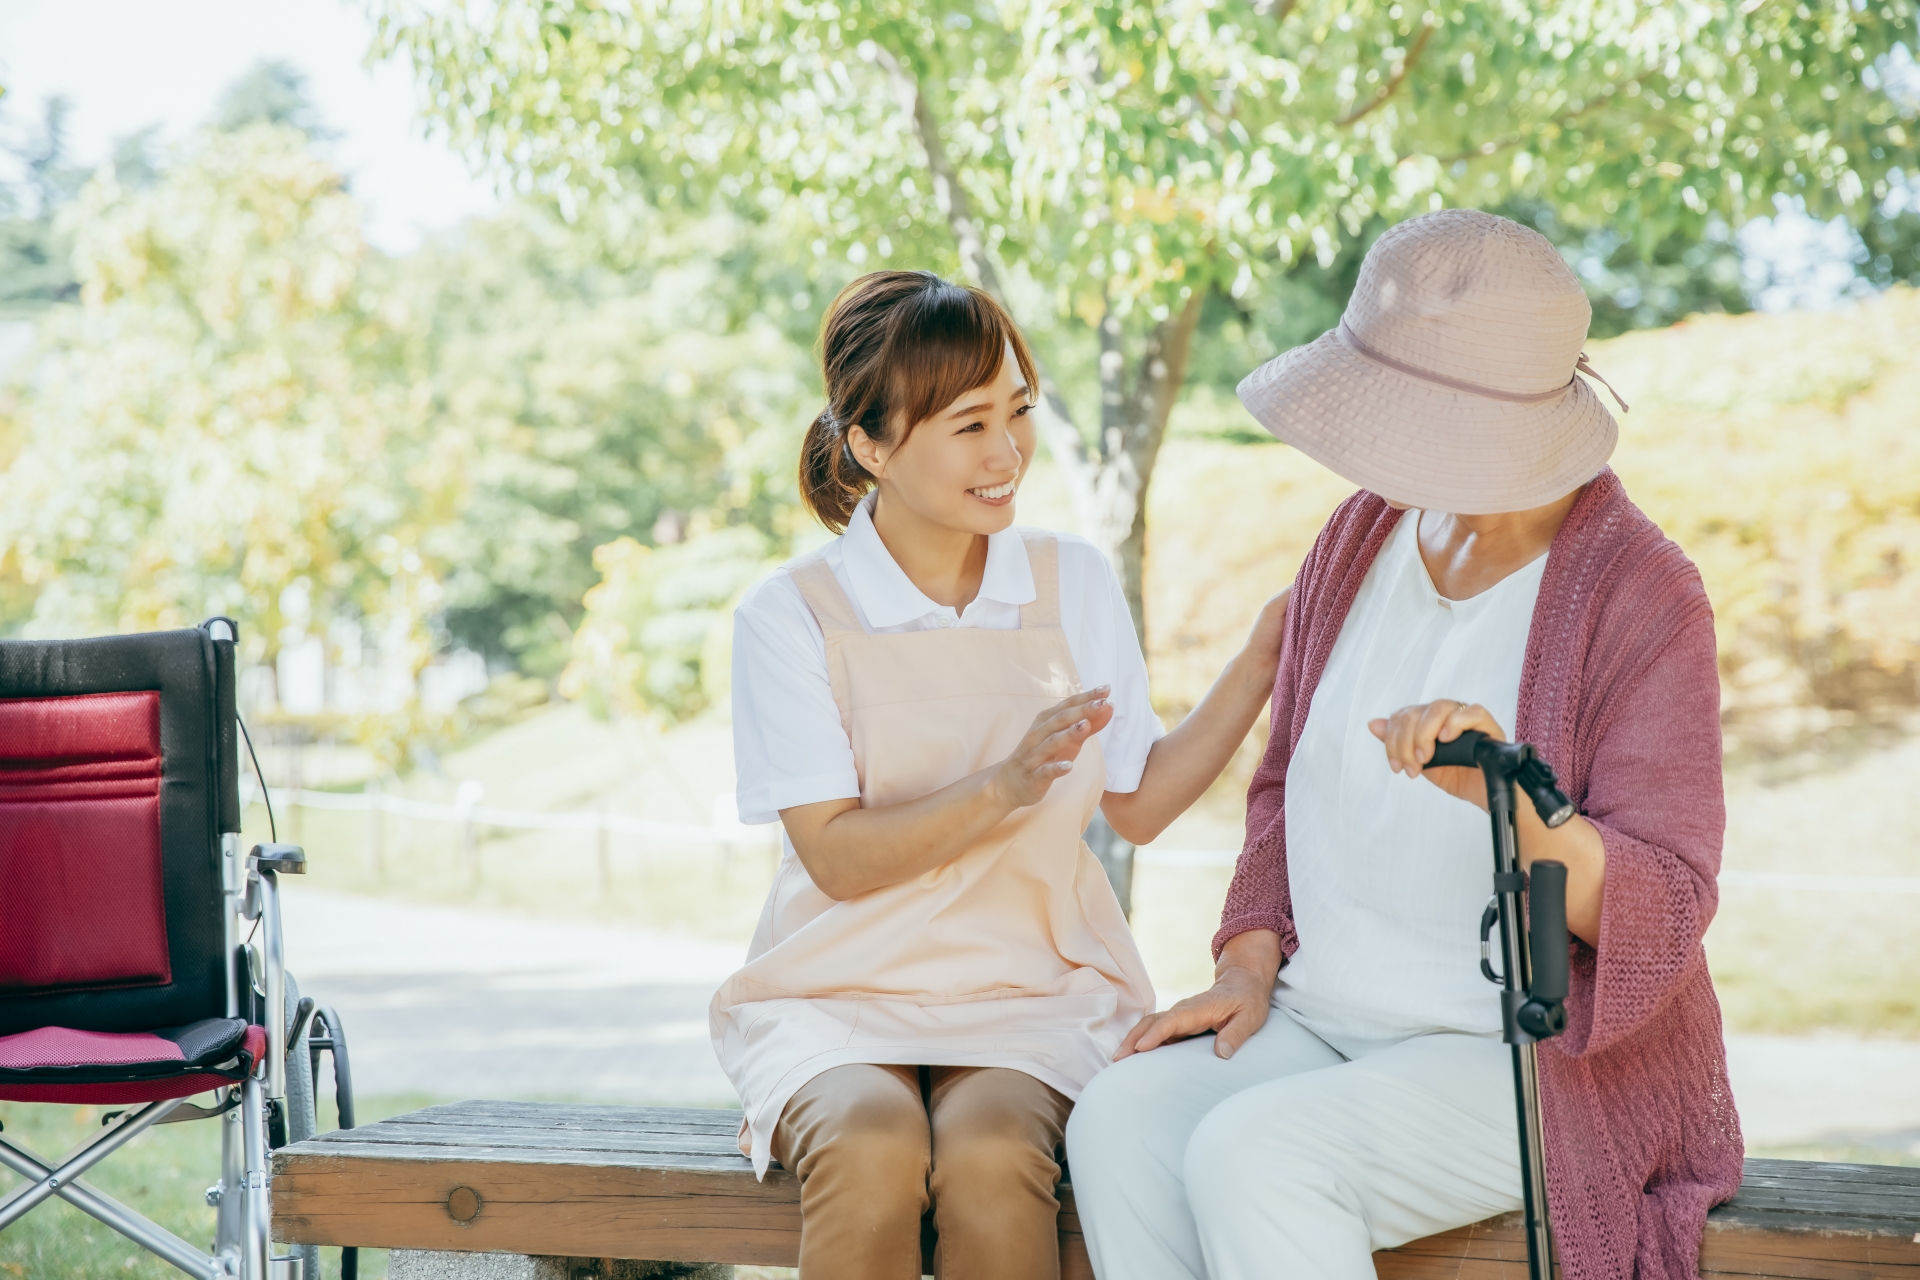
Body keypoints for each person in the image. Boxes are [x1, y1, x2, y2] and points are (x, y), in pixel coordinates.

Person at [1065, 209, 1743, 1280]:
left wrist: (1504, 790)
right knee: (1121, 1117)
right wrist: (1247, 966)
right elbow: (1283, 785)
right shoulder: (1360, 534)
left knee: (1259, 1155)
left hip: (1525, 1066)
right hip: (1321, 1015)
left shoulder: (1641, 594)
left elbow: (1664, 902)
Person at [710, 270, 1288, 1280]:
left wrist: (1256, 667)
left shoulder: (1071, 581)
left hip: (1033, 986)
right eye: (970, 423)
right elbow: (837, 860)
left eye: (1017, 409)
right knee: (870, 1144)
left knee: (986, 1155)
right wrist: (1004, 783)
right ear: (871, 445)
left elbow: (1139, 800)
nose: (1007, 451)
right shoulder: (791, 614)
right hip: (837, 987)